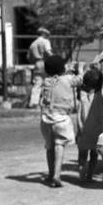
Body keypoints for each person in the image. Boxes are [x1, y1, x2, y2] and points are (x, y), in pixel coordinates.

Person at [39, 55, 82, 188]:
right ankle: (57, 175)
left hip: (46, 118)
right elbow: (80, 80)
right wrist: (79, 68)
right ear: (62, 68)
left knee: (49, 146)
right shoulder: (68, 79)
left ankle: (51, 174)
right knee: (59, 145)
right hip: (61, 119)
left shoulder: (46, 81)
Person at [76, 67, 103, 182]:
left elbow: (79, 81)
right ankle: (89, 175)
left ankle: (81, 172)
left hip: (83, 130)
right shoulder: (102, 95)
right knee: (94, 155)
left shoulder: (82, 95)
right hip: (97, 132)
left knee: (82, 155)